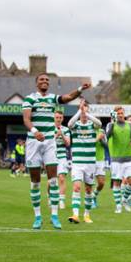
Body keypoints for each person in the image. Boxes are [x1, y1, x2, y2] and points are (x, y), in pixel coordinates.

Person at [22, 72, 91, 229]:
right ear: (36, 83)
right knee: (35, 182)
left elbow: (67, 97)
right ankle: (38, 217)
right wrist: (34, 131)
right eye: (42, 79)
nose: (45, 81)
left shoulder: (52, 98)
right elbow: (26, 119)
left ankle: (54, 215)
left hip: (49, 143)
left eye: (47, 80)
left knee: (53, 180)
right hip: (33, 142)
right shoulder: (30, 98)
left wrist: (80, 89)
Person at [67, 100, 102, 224]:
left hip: (90, 163)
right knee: (76, 187)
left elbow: (100, 123)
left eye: (85, 109)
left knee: (88, 190)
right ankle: (75, 215)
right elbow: (69, 124)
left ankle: (86, 215)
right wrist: (79, 111)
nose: (83, 112)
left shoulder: (92, 125)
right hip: (77, 163)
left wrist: (87, 114)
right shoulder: (76, 125)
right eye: (82, 110)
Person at [106, 106, 131, 213]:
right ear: (115, 115)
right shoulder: (111, 125)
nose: (120, 115)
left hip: (129, 159)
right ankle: (118, 205)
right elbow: (107, 136)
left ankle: (124, 200)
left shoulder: (130, 125)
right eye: (118, 113)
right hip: (116, 160)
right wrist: (112, 122)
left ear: (124, 114)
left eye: (121, 113)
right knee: (117, 183)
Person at [54, 111, 71, 209]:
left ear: (62, 118)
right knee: (51, 181)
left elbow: (68, 143)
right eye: (57, 117)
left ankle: (61, 200)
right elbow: (47, 142)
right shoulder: (50, 128)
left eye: (60, 117)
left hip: (62, 157)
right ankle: (50, 197)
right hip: (51, 157)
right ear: (54, 118)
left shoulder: (65, 129)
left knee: (61, 178)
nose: (58, 119)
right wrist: (56, 135)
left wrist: (62, 135)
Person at [92, 127, 108, 208]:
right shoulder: (88, 130)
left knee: (101, 183)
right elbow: (88, 144)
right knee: (90, 183)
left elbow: (106, 145)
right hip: (89, 160)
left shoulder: (101, 131)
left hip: (100, 160)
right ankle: (90, 201)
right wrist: (97, 138)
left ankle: (94, 195)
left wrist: (101, 139)